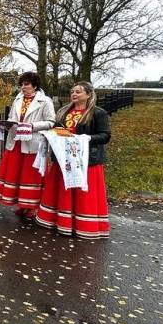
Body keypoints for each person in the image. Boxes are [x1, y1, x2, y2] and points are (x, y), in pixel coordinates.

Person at [35, 81, 111, 240]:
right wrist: (51, 135)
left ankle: (82, 225)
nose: (74, 94)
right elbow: (57, 129)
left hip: (86, 161)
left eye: (78, 92)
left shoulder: (98, 113)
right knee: (62, 191)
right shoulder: (63, 111)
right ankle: (60, 221)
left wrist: (85, 138)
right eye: (72, 92)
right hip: (63, 158)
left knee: (82, 196)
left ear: (88, 94)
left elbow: (105, 136)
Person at [0, 72, 56, 218]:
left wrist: (31, 126)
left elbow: (51, 122)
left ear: (35, 85)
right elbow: (12, 117)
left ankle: (33, 206)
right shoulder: (18, 99)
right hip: (16, 141)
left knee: (31, 175)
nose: (23, 87)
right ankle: (22, 204)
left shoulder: (45, 101)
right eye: (22, 84)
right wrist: (8, 124)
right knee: (17, 174)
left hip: (33, 143)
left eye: (26, 84)